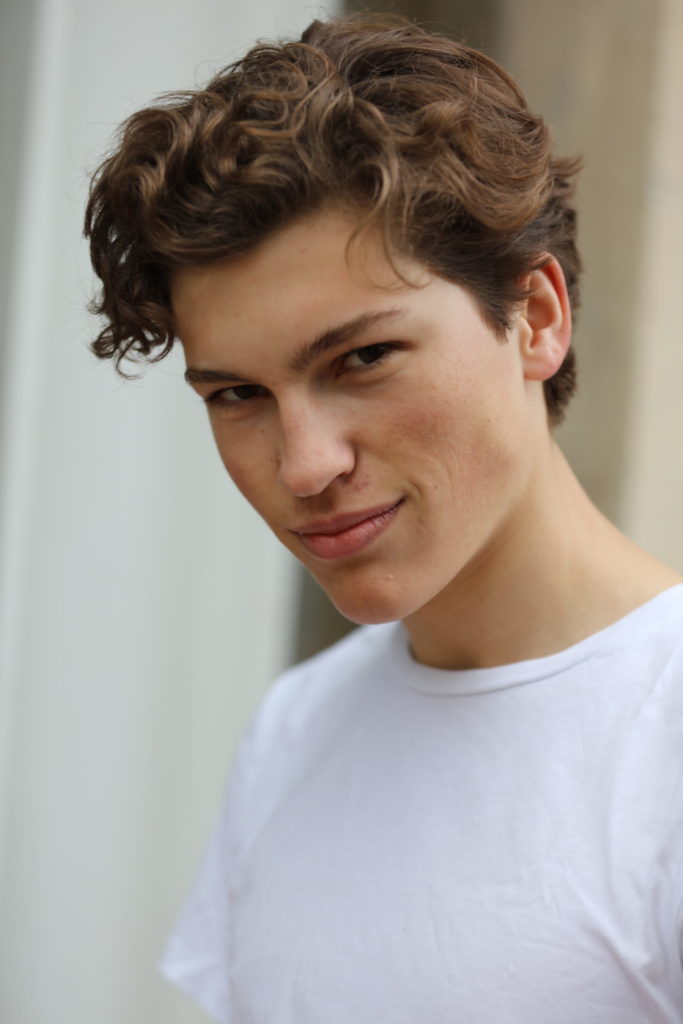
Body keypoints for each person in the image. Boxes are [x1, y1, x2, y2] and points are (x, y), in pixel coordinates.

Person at [84, 13, 683, 1023]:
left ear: (535, 318)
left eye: (361, 358)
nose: (303, 465)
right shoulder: (297, 727)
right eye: (237, 395)